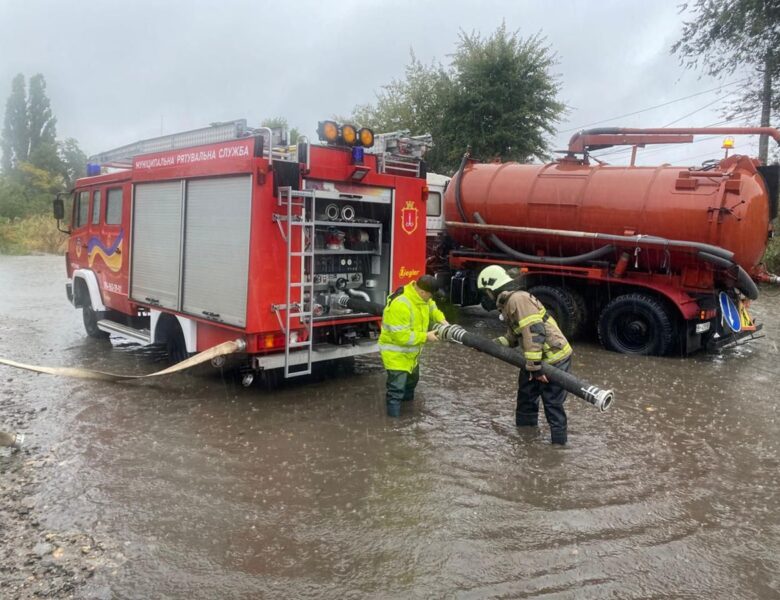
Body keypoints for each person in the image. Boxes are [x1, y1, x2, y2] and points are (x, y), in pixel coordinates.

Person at [477, 265, 573, 445]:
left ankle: (558, 448)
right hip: (535, 360)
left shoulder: (518, 300)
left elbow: (534, 332)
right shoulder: (508, 303)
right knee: (526, 398)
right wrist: (491, 345)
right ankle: (525, 440)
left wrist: (535, 369)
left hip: (554, 358)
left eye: (485, 292)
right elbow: (513, 337)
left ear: (491, 288)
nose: (485, 297)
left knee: (553, 404)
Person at [379, 275, 449, 417]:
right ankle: (394, 425)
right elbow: (401, 336)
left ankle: (408, 414)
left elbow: (432, 307)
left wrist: (443, 321)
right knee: (396, 390)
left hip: (412, 354)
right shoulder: (401, 304)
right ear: (423, 292)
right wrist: (426, 336)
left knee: (411, 383)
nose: (430, 299)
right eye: (429, 296)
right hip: (396, 355)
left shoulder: (422, 298)